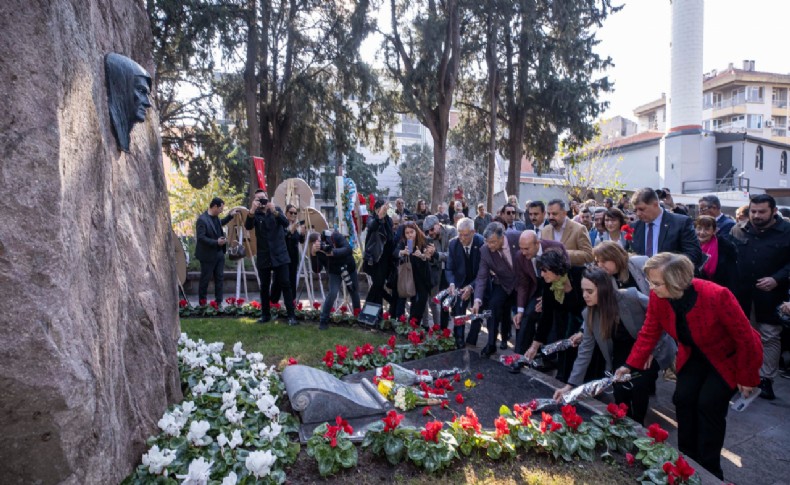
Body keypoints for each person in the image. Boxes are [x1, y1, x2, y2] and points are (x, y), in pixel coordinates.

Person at [614, 253, 762, 479]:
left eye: (656, 283)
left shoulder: (717, 295)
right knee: (682, 399)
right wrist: (630, 365)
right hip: (693, 354)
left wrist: (747, 377)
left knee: (708, 405)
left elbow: (745, 339)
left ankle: (710, 470)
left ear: (675, 282)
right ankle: (687, 460)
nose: (651, 288)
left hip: (726, 358)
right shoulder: (659, 297)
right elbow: (650, 330)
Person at [554, 267, 676, 425]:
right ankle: (623, 427)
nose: (584, 296)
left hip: (649, 346)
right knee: (619, 389)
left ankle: (639, 426)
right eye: (583, 290)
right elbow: (585, 351)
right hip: (621, 350)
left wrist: (652, 349)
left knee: (639, 386)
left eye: (589, 291)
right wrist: (570, 385)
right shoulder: (589, 313)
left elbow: (661, 317)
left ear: (603, 290)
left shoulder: (630, 296)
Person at [730, 194, 790, 400]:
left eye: (761, 211)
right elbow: (728, 259)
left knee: (769, 335)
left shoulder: (787, 231)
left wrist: (777, 279)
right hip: (741, 294)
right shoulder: (738, 229)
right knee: (743, 334)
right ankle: (743, 376)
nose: (756, 215)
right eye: (753, 211)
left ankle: (766, 379)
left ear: (773, 211)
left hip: (772, 295)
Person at [524, 248, 587, 383]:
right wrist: (534, 346)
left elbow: (582, 308)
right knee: (563, 353)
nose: (541, 274)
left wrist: (569, 291)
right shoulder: (548, 284)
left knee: (577, 358)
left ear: (556, 268)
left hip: (582, 323)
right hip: (562, 322)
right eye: (540, 270)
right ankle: (564, 381)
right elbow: (546, 316)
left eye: (545, 270)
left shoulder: (578, 275)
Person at [245, 190, 297, 325]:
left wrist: (274, 211)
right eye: (258, 199)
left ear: (267, 199)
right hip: (264, 255)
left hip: (280, 254)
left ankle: (291, 316)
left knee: (286, 284)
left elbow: (286, 223)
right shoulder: (254, 214)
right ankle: (265, 315)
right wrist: (252, 210)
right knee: (264, 287)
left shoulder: (276, 210)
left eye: (263, 198)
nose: (261, 201)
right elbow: (248, 226)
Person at [512, 230, 568, 354]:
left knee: (551, 316)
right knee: (527, 315)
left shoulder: (556, 247)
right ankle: (520, 356)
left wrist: (549, 299)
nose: (523, 252)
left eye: (526, 248)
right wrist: (520, 310)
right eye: (521, 248)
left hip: (557, 287)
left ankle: (548, 357)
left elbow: (565, 275)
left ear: (537, 243)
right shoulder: (519, 256)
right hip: (537, 288)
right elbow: (523, 284)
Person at [472, 222, 520, 357]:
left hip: (522, 283)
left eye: (493, 242)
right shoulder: (485, 250)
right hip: (503, 284)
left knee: (523, 314)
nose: (490, 245)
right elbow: (481, 277)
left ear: (502, 237)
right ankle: (491, 344)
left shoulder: (517, 237)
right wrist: (477, 300)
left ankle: (521, 349)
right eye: (487, 242)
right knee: (492, 307)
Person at [629, 188, 702, 267]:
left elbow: (693, 255)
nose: (638, 213)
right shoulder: (635, 227)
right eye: (635, 210)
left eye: (641, 209)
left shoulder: (680, 223)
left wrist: (667, 268)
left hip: (671, 276)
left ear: (655, 204)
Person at [445, 218, 485, 348]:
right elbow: (449, 268)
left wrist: (471, 287)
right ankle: (459, 338)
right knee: (458, 309)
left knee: (477, 310)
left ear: (473, 232)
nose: (461, 238)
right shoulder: (453, 244)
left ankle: (472, 338)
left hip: (478, 281)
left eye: (465, 235)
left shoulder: (481, 243)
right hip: (460, 282)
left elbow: (482, 272)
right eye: (459, 234)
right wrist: (452, 284)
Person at [310, 230, 361, 330]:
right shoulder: (317, 251)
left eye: (319, 241)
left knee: (354, 291)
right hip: (334, 271)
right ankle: (323, 320)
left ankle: (357, 317)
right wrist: (313, 254)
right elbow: (317, 270)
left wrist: (333, 252)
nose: (319, 244)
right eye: (315, 243)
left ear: (321, 238)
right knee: (333, 293)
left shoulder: (334, 235)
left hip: (348, 267)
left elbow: (348, 249)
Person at [195, 197, 237, 304]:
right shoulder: (202, 219)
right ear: (214, 206)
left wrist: (230, 216)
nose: (221, 211)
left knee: (219, 279)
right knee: (205, 279)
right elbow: (201, 237)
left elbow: (220, 223)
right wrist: (216, 242)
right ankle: (202, 304)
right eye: (220, 209)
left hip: (219, 253)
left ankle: (219, 303)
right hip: (207, 255)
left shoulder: (216, 217)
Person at [394, 221, 436, 323]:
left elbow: (431, 258)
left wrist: (423, 256)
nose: (409, 235)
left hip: (422, 276)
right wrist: (402, 252)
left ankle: (415, 325)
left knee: (420, 302)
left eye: (411, 232)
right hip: (409, 275)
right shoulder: (403, 242)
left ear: (416, 231)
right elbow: (395, 252)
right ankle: (407, 325)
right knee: (408, 299)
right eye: (407, 233)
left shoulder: (425, 241)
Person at [424, 215, 458, 327]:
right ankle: (443, 331)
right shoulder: (429, 238)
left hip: (455, 272)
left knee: (456, 304)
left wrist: (436, 254)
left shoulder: (451, 231)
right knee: (443, 303)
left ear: (438, 225)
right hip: (440, 273)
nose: (430, 233)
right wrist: (428, 257)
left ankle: (458, 334)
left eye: (432, 229)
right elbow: (434, 260)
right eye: (428, 231)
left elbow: (453, 256)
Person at [269, 204, 305, 306]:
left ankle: (291, 302)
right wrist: (290, 231)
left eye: (295, 213)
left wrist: (302, 234)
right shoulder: (282, 224)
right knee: (278, 280)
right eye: (291, 212)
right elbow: (282, 239)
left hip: (293, 258)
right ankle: (273, 302)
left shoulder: (296, 225)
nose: (293, 215)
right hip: (282, 257)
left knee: (292, 280)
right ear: (286, 213)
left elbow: (299, 241)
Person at [540, 199, 594, 265]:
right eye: (549, 214)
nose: (551, 217)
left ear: (564, 213)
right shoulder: (545, 230)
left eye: (554, 214)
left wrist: (563, 253)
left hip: (573, 273)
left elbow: (589, 255)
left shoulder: (579, 229)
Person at [694, 215, 738, 294]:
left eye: (707, 229)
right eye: (699, 228)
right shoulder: (688, 246)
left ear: (714, 231)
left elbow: (731, 277)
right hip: (696, 292)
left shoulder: (725, 248)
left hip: (719, 291)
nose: (702, 232)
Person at [364, 201, 395, 308]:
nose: (384, 211)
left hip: (386, 258)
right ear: (376, 209)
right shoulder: (371, 219)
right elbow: (371, 227)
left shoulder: (389, 220)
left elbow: (390, 238)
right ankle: (390, 301)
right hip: (374, 259)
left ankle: (373, 313)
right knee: (377, 284)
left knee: (378, 285)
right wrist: (379, 217)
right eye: (382, 209)